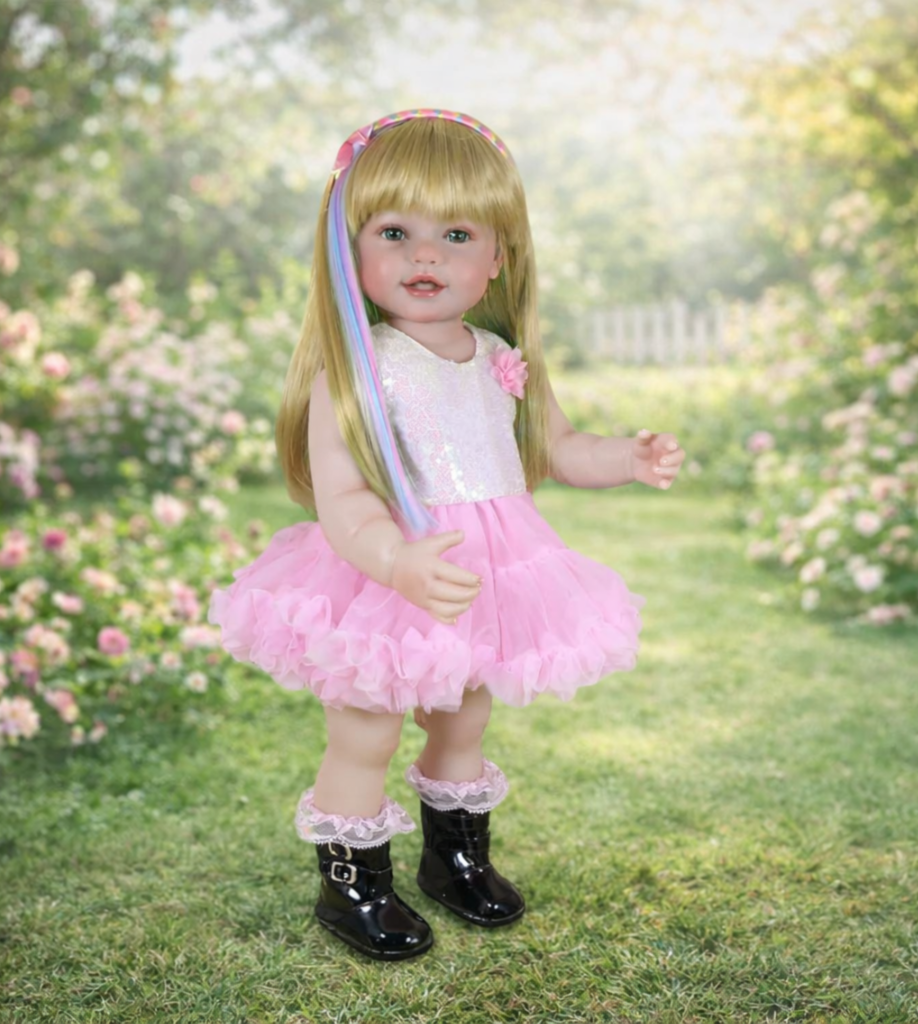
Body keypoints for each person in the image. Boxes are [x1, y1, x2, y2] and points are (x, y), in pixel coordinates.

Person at [208, 108, 686, 962]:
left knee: (463, 718)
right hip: (385, 578)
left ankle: (455, 855)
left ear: (498, 255)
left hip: (484, 579)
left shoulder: (498, 354)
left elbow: (560, 448)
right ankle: (352, 881)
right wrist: (394, 560)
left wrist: (628, 456)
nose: (425, 256)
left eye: (456, 233)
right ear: (350, 249)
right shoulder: (355, 370)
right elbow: (344, 501)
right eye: (395, 231)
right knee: (368, 725)